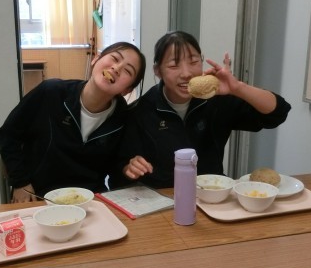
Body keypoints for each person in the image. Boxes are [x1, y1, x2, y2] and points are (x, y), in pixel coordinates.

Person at [116, 31, 291, 188]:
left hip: (212, 193)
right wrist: (128, 167)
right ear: (158, 71)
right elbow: (119, 167)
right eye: (174, 65)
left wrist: (238, 88)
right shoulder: (140, 111)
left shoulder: (216, 99)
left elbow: (277, 113)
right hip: (163, 197)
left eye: (194, 62)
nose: (186, 73)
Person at [0, 41, 146, 203]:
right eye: (115, 58)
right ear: (95, 59)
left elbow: (115, 171)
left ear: (127, 90)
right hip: (39, 197)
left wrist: (126, 169)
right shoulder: (51, 93)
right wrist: (21, 183)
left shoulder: (123, 118)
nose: (116, 68)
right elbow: (9, 135)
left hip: (90, 201)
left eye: (127, 71)